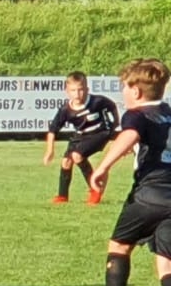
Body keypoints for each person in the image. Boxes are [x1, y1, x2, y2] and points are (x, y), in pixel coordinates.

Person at [84, 58, 171, 286]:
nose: (122, 92)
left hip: (149, 194)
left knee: (119, 245)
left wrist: (102, 167)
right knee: (166, 256)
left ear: (135, 90)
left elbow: (129, 136)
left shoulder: (137, 114)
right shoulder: (168, 112)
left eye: (123, 87)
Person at [43, 71, 119, 204]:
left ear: (87, 89)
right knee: (66, 162)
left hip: (99, 133)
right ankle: (62, 196)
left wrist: (114, 125)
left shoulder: (97, 101)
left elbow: (112, 106)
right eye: (73, 90)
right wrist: (50, 151)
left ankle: (95, 189)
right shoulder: (65, 110)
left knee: (77, 156)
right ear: (67, 91)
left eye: (81, 90)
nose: (78, 94)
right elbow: (52, 130)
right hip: (81, 134)